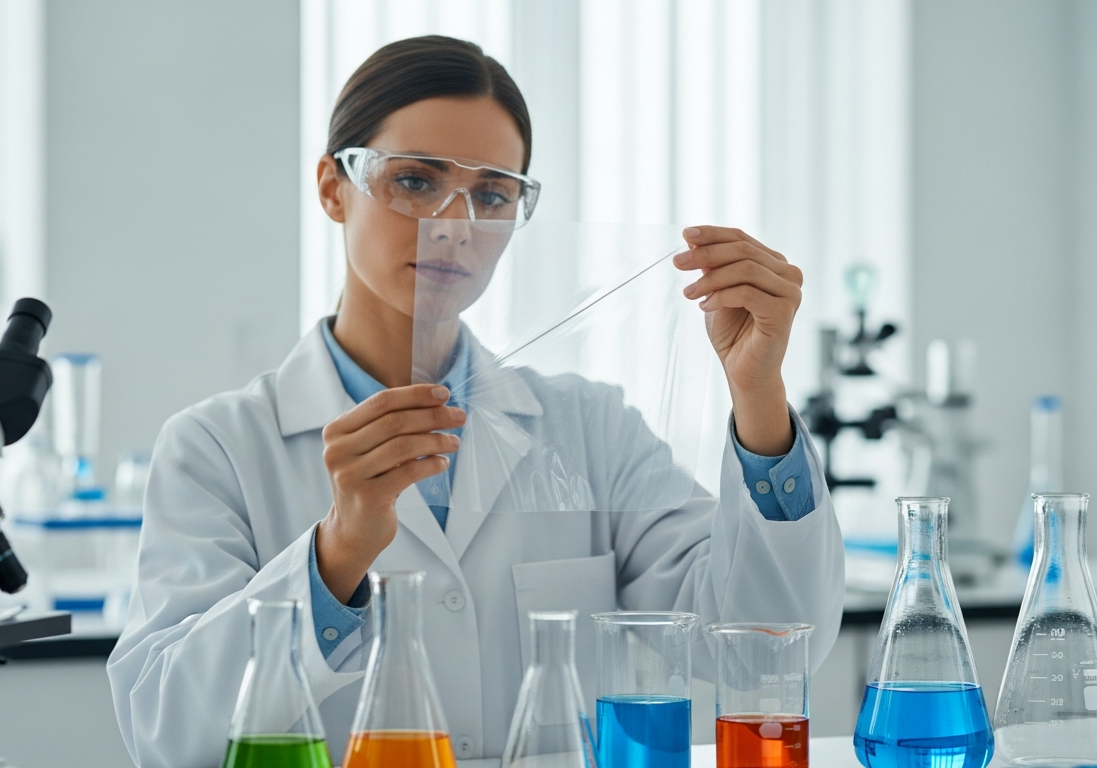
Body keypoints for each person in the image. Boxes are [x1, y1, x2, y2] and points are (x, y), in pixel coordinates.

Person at [108, 35, 844, 768]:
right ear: (333, 187)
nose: (454, 224)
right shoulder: (218, 447)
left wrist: (758, 394)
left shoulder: (590, 428)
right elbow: (168, 732)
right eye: (415, 181)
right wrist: (336, 555)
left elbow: (770, 638)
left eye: (491, 194)